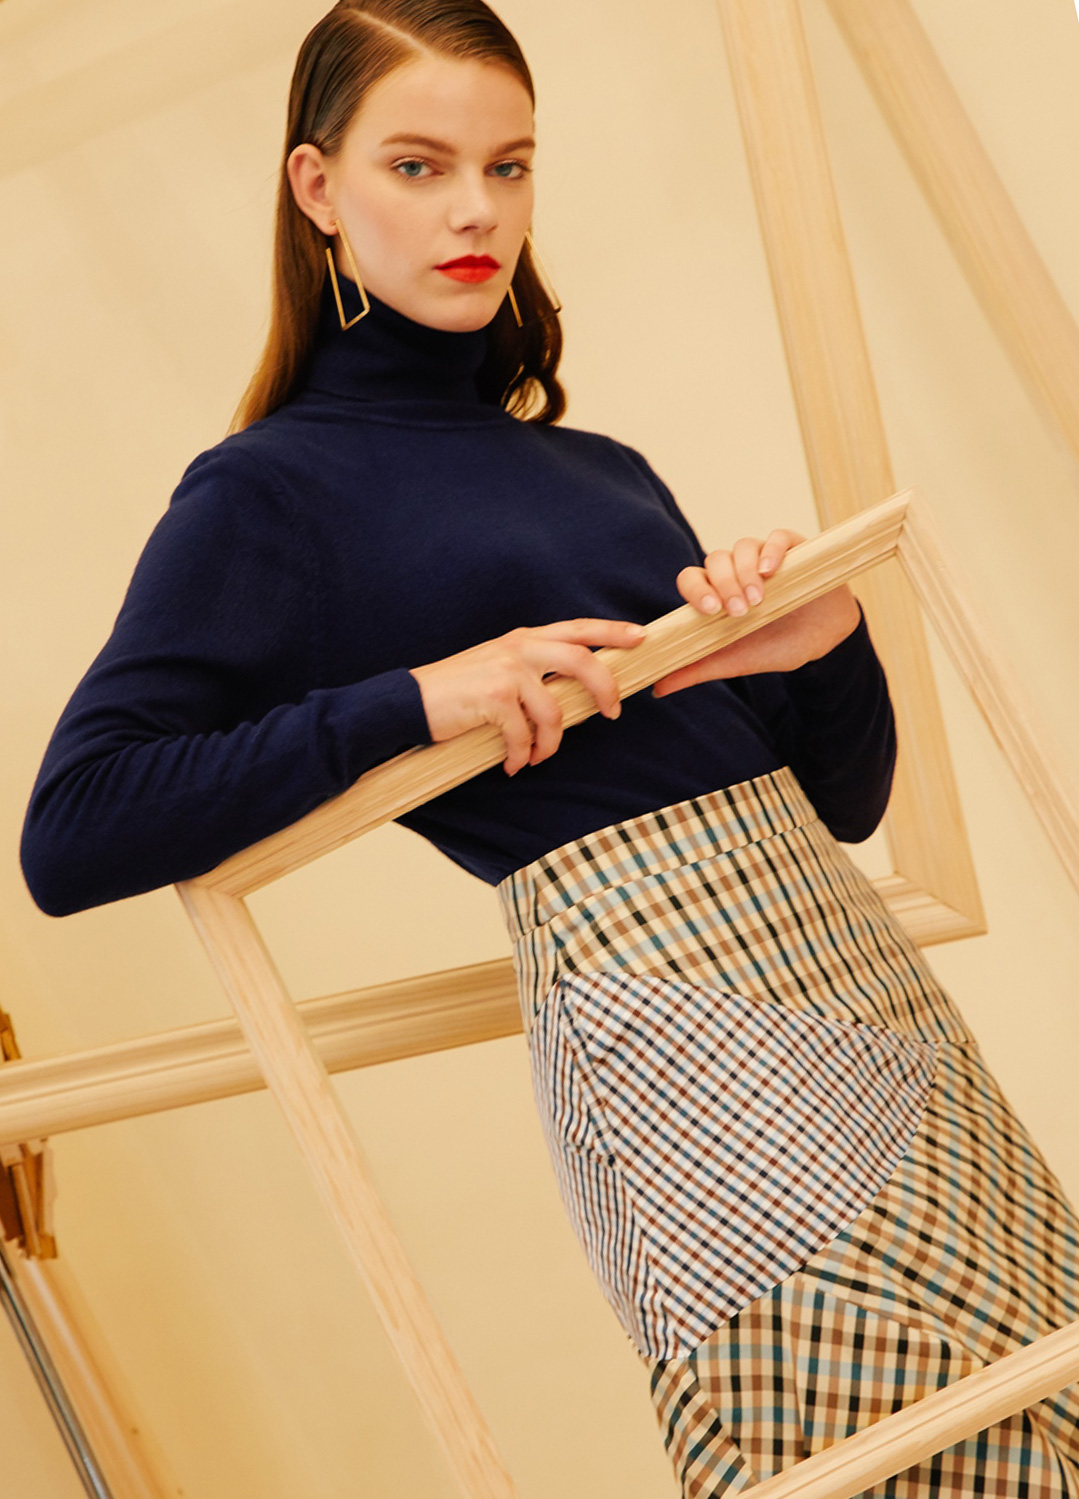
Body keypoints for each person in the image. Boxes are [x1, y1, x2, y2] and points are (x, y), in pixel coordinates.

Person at [20, 2, 1079, 1493]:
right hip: (663, 1023)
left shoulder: (601, 471)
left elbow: (839, 805)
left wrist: (823, 641)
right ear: (317, 186)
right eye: (419, 165)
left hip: (858, 983)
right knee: (848, 1449)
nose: (476, 211)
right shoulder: (269, 494)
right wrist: (418, 702)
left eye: (508, 166)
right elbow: (74, 829)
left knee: (1045, 1412)